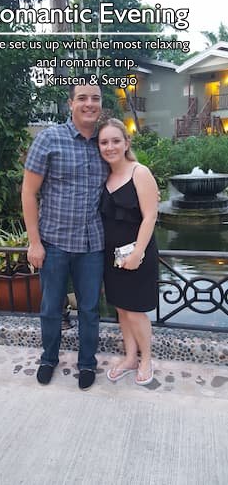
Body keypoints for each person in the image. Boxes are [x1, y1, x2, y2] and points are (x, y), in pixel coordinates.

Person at [21, 80, 109, 390]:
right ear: (70, 104)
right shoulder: (49, 139)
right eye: (82, 98)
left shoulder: (106, 142)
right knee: (50, 307)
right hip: (54, 242)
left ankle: (87, 363)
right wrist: (34, 242)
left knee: (89, 309)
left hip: (92, 244)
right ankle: (48, 358)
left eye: (95, 98)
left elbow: (127, 174)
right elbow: (29, 193)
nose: (89, 104)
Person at [98, 118, 159, 386]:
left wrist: (137, 254)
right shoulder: (104, 176)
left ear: (126, 143)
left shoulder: (139, 172)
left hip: (138, 254)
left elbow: (150, 216)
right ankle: (130, 357)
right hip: (112, 256)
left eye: (115, 141)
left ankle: (146, 359)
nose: (110, 146)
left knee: (136, 311)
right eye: (104, 142)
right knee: (122, 310)